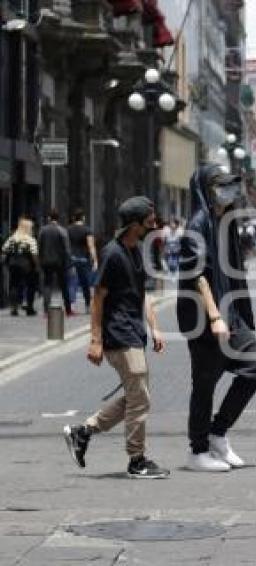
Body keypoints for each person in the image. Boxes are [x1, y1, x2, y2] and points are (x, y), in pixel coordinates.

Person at [62, 196, 168, 479]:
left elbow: (141, 295)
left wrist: (155, 327)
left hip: (134, 332)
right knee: (140, 398)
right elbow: (98, 298)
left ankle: (82, 432)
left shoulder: (136, 250)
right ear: (134, 225)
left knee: (137, 396)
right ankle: (137, 460)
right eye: (149, 222)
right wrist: (95, 340)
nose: (154, 225)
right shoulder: (113, 253)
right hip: (118, 334)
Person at [177, 165, 256, 472]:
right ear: (206, 189)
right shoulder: (198, 224)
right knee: (205, 383)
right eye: (221, 185)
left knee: (253, 368)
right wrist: (215, 317)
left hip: (232, 314)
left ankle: (217, 432)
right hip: (205, 318)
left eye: (230, 186)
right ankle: (197, 450)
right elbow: (196, 274)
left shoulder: (224, 221)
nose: (228, 191)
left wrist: (238, 312)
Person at [38, 209, 74, 316]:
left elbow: (39, 245)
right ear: (58, 219)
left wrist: (40, 259)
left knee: (47, 285)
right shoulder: (62, 230)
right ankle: (68, 309)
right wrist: (69, 262)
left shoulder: (42, 230)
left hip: (46, 261)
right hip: (60, 261)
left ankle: (46, 310)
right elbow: (67, 249)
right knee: (64, 285)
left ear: (49, 218)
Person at [2, 216, 39, 316]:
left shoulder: (12, 238)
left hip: (13, 264)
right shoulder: (30, 239)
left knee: (14, 285)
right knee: (30, 285)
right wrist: (37, 266)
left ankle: (14, 308)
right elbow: (34, 253)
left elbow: (4, 250)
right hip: (27, 265)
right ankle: (29, 307)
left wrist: (5, 262)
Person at [68, 209, 99, 313]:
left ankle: (72, 305)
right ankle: (87, 306)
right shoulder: (87, 230)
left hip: (72, 259)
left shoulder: (68, 230)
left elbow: (66, 245)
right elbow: (91, 246)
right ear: (83, 218)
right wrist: (95, 260)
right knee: (85, 283)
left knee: (72, 283)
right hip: (83, 259)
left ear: (74, 218)